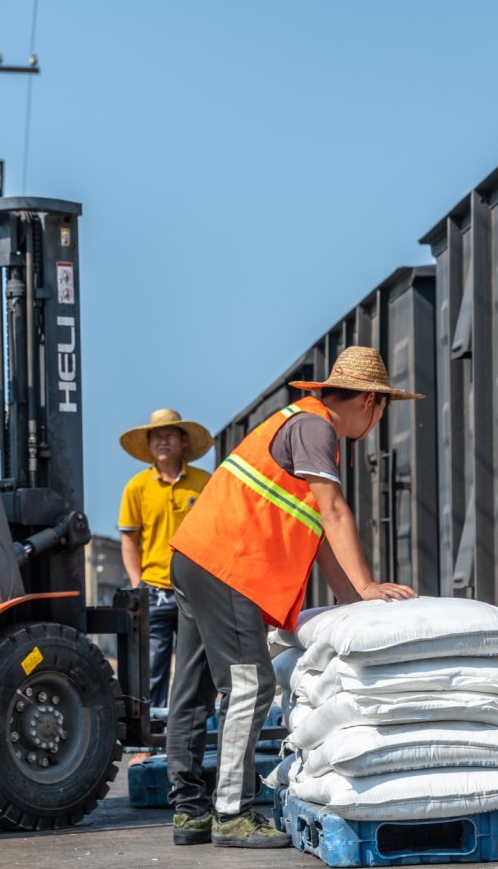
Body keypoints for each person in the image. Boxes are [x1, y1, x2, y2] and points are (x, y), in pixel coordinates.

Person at [165, 346, 418, 849]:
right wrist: (369, 587)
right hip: (228, 566)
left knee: (191, 691)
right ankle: (231, 813)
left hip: (194, 557)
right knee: (250, 684)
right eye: (384, 408)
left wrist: (352, 600)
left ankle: (189, 811)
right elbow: (334, 511)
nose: (379, 420)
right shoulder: (315, 427)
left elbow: (316, 535)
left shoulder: (297, 425)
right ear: (370, 401)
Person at [117, 408, 213, 755]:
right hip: (155, 589)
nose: (162, 440)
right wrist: (136, 582)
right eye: (155, 436)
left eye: (169, 434)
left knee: (198, 667)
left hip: (198, 589)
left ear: (183, 440)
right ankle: (151, 743)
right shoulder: (137, 487)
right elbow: (129, 537)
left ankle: (193, 738)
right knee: (154, 667)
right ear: (148, 443)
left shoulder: (204, 482)